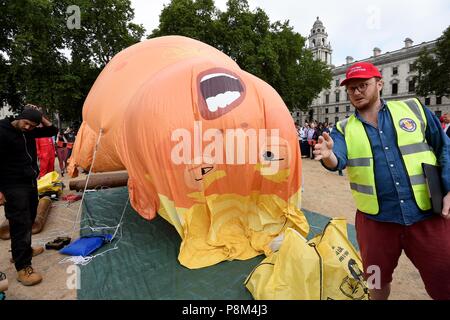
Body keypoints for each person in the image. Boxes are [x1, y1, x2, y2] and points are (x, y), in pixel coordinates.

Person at [313, 61, 450, 300]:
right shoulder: (342, 129)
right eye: (351, 88)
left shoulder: (414, 109)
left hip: (427, 216)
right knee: (376, 280)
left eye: (362, 85)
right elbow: (337, 158)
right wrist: (329, 156)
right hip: (376, 223)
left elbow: (444, 148)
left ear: (379, 84)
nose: (356, 92)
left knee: (444, 278)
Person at [0, 106, 58, 286]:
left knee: (31, 218)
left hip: (30, 182)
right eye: (26, 123)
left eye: (32, 126)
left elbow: (52, 130)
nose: (28, 128)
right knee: (20, 223)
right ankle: (23, 267)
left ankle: (24, 249)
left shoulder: (30, 131)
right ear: (20, 117)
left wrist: (41, 116)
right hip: (11, 185)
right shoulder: (2, 132)